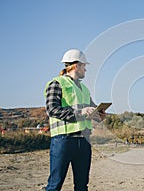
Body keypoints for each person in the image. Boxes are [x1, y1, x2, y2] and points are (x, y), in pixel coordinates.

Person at [44, 49, 105, 191]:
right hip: (63, 140)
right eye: (84, 66)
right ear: (76, 66)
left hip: (83, 140)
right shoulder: (57, 84)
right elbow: (52, 110)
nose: (86, 69)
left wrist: (98, 116)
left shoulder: (84, 89)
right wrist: (80, 112)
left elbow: (90, 112)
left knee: (82, 185)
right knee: (55, 185)